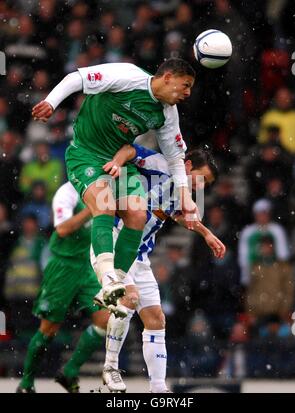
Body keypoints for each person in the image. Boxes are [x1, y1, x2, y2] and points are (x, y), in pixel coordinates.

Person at [32, 58, 199, 309]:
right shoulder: (127, 76)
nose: (188, 93)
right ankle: (107, 277)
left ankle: (114, 285)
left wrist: (185, 196)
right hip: (86, 153)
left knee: (137, 214)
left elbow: (176, 159)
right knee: (105, 204)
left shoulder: (167, 113)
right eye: (185, 85)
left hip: (119, 161)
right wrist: (51, 102)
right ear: (167, 78)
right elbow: (76, 78)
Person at [91, 143, 226, 393]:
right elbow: (129, 149)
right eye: (201, 178)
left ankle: (158, 388)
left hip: (140, 256)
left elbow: (178, 215)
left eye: (206, 184)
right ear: (187, 166)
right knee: (128, 299)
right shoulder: (159, 163)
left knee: (156, 319)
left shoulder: (181, 193)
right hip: (115, 242)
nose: (201, 186)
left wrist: (207, 234)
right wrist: (119, 162)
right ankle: (110, 367)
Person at [16, 181, 119, 393]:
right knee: (49, 329)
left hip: (86, 266)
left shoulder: (104, 189)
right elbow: (62, 229)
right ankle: (26, 383)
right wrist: (92, 208)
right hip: (63, 266)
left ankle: (70, 370)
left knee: (106, 318)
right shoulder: (67, 192)